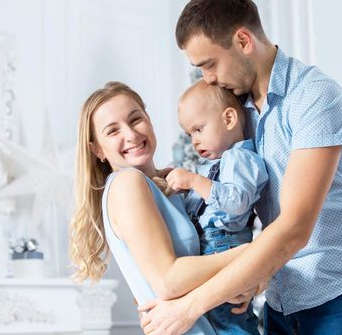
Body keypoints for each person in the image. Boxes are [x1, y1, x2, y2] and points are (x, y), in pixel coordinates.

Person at [139, 0, 342, 334]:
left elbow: (294, 229)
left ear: (243, 41)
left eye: (209, 64)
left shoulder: (314, 97)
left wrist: (191, 306)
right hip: (281, 300)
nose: (207, 79)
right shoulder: (237, 112)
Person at [69, 81, 263, 335]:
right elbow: (168, 281)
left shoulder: (171, 186)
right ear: (97, 150)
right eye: (112, 131)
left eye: (135, 119)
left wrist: (241, 283)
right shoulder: (128, 183)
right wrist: (253, 255)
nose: (130, 135)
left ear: (148, 119)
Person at [166, 79, 268, 334]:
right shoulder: (217, 163)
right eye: (190, 134)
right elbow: (198, 207)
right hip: (210, 246)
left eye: (199, 129)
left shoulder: (240, 157)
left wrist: (193, 181)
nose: (194, 141)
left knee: (229, 320)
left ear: (230, 119)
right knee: (215, 320)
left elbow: (237, 201)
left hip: (224, 244)